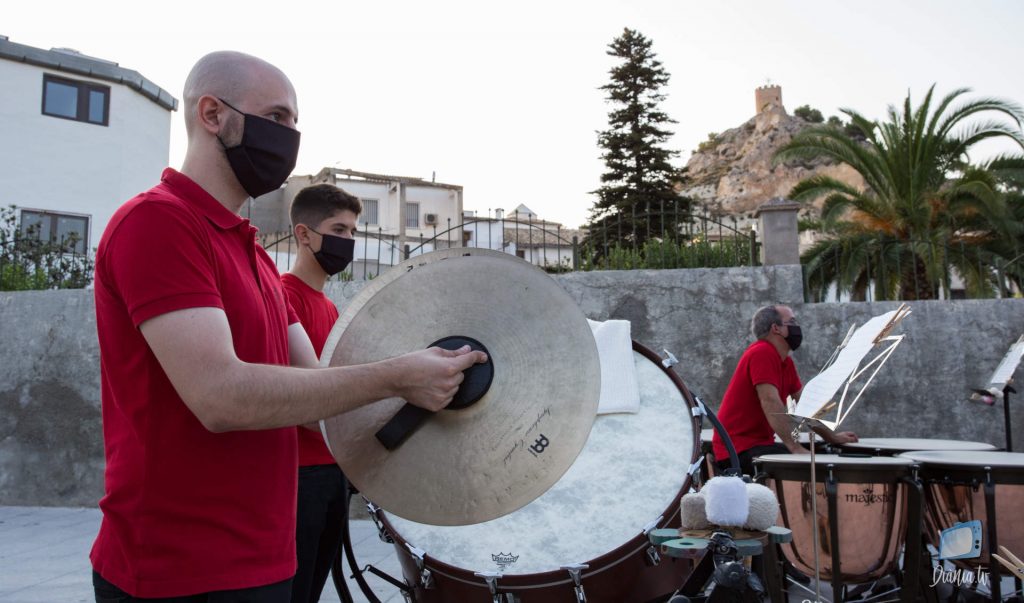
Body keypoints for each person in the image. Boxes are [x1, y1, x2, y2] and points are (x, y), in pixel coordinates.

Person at [90, 51, 486, 602]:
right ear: (212, 114)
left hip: (266, 559)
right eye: (277, 118)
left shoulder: (254, 257)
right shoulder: (158, 221)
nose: (290, 136)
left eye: (295, 122)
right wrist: (398, 375)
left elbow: (322, 387)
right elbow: (220, 397)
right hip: (177, 571)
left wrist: (449, 380)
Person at [281, 183, 361, 602]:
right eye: (338, 229)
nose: (347, 241)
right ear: (304, 234)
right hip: (298, 476)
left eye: (352, 232)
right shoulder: (281, 295)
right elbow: (299, 401)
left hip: (333, 471)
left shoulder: (329, 307)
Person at [711, 304, 857, 477]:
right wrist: (795, 447)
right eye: (792, 321)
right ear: (776, 328)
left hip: (757, 446)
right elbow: (770, 401)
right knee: (817, 467)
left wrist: (831, 437)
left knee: (828, 455)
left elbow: (806, 407)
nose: (797, 326)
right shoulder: (761, 352)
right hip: (737, 451)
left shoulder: (785, 363)